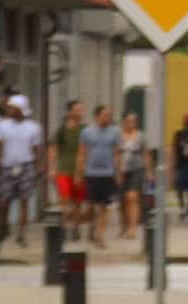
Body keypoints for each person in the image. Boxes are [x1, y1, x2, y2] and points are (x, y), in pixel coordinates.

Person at [0, 97, 43, 245]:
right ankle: (4, 226)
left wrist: (38, 166)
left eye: (12, 108)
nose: (9, 110)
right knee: (4, 200)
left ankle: (22, 234)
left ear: (21, 110)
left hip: (26, 165)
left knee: (24, 202)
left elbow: (36, 149)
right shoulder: (2, 126)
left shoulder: (33, 127)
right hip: (7, 166)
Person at [79, 106, 118, 247]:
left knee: (104, 206)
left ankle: (100, 234)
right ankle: (91, 228)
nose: (107, 118)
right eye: (104, 115)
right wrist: (80, 172)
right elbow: (82, 153)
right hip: (91, 173)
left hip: (107, 173)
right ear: (97, 116)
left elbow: (116, 153)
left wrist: (117, 173)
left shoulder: (114, 132)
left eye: (109, 115)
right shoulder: (87, 132)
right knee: (91, 206)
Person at [53, 101, 86, 226]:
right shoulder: (62, 130)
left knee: (78, 202)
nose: (80, 113)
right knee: (64, 199)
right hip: (64, 168)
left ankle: (76, 228)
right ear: (70, 112)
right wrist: (52, 167)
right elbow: (54, 149)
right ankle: (63, 226)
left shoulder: (85, 129)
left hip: (80, 169)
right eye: (77, 110)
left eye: (81, 110)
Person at [116, 112, 148, 240]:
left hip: (137, 169)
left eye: (133, 121)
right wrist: (117, 171)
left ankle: (133, 228)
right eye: (128, 121)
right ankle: (124, 226)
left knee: (132, 197)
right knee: (122, 201)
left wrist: (149, 172)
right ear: (124, 122)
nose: (131, 123)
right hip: (122, 170)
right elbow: (116, 153)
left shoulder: (141, 136)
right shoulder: (119, 136)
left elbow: (146, 154)